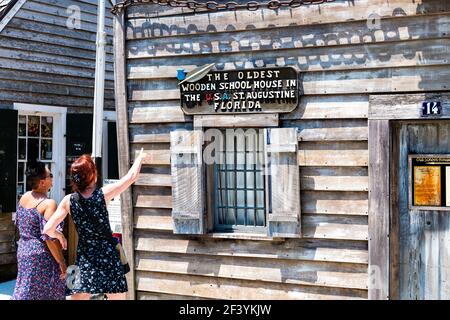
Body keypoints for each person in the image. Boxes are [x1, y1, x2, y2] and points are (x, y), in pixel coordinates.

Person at [43, 150, 147, 300]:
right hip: (108, 257)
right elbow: (131, 177)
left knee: (76, 296)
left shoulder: (68, 201)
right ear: (93, 175)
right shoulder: (102, 195)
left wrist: (59, 235)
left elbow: (48, 229)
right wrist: (140, 158)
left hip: (84, 258)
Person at [12, 162, 67, 300]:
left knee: (26, 291)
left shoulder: (24, 197)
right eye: (51, 175)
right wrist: (61, 262)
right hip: (41, 257)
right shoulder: (49, 204)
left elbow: (19, 225)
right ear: (42, 182)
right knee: (48, 293)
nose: (52, 178)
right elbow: (49, 237)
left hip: (24, 251)